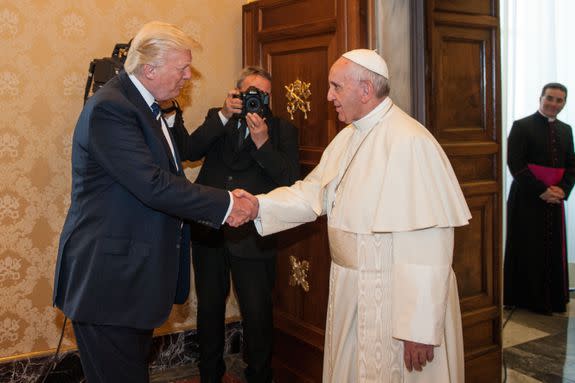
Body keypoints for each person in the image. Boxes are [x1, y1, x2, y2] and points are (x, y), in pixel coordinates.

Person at [238, 49, 471, 382]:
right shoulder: (348, 137)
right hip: (352, 290)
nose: (328, 95)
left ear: (365, 90)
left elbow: (429, 242)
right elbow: (312, 193)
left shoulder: (410, 141)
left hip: (393, 303)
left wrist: (419, 328)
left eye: (336, 86)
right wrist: (258, 206)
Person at [52, 21, 257, 383]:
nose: (188, 77)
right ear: (150, 69)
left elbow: (166, 182)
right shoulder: (112, 109)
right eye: (182, 69)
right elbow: (154, 185)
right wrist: (226, 204)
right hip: (109, 285)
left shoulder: (143, 106)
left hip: (128, 285)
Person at [169, 66, 299, 383]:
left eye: (264, 94)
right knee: (210, 309)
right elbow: (189, 151)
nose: (257, 98)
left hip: (254, 236)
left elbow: (290, 181)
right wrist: (224, 115)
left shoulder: (282, 130)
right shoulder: (220, 118)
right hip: (209, 230)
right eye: (250, 91)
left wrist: (263, 143)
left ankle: (259, 375)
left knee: (256, 313)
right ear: (236, 92)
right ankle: (210, 375)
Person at [504, 83, 575, 314]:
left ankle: (553, 299)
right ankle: (527, 299)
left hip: (554, 198)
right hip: (527, 197)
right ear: (540, 98)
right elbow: (515, 164)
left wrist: (563, 190)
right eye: (550, 98)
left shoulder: (566, 130)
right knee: (528, 247)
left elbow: (571, 166)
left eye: (560, 100)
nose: (554, 104)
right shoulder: (522, 126)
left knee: (552, 249)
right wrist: (542, 190)